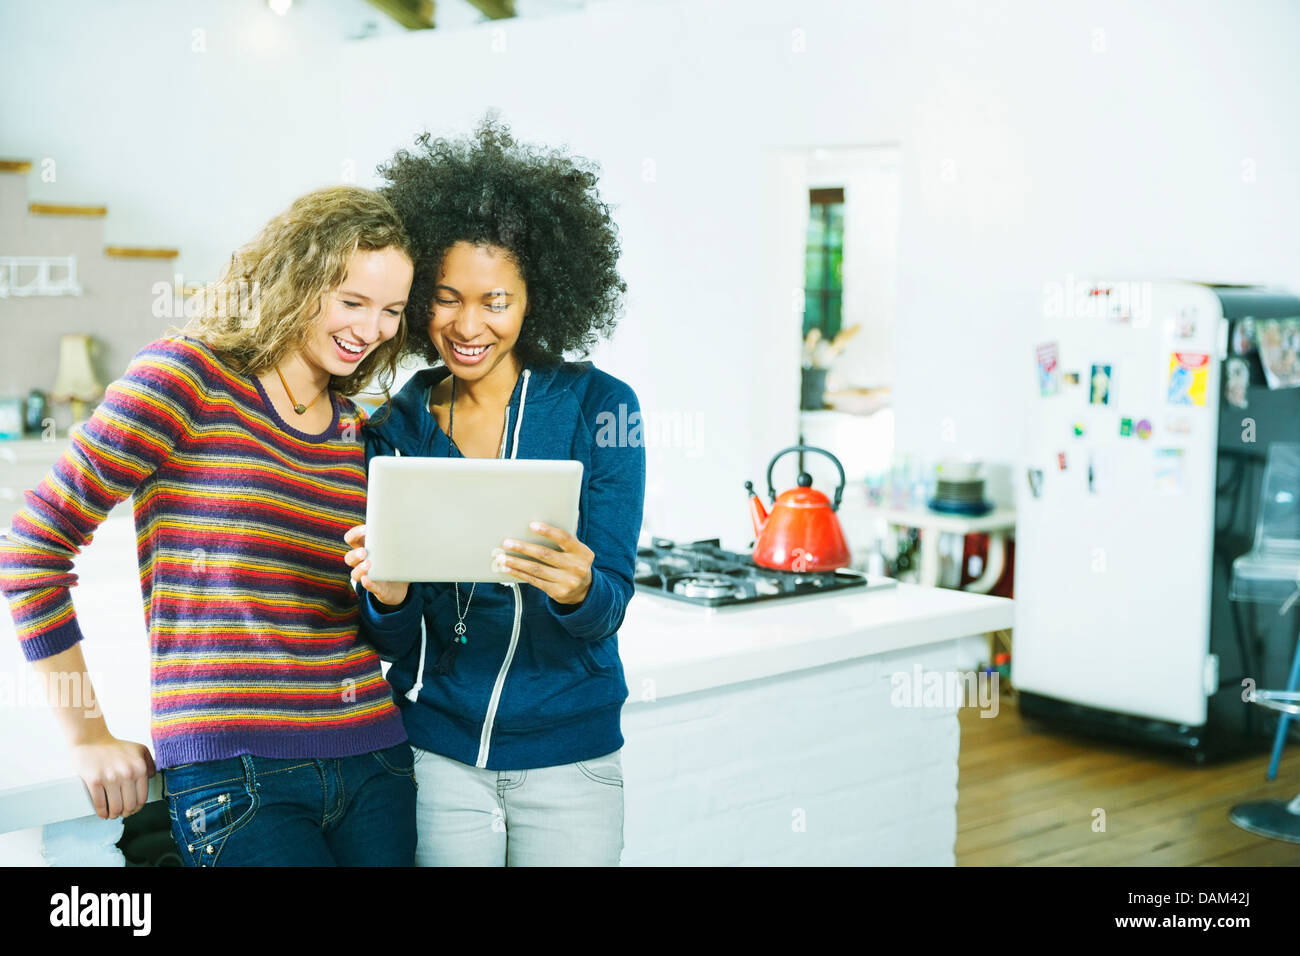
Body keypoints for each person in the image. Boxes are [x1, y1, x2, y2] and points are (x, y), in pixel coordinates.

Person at [0, 185, 419, 866]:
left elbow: (375, 625)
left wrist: (392, 590)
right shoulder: (186, 377)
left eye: (391, 311)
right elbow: (30, 552)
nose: (371, 329)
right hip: (237, 776)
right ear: (295, 283)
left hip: (375, 758)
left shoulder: (355, 428)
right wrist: (88, 735)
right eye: (353, 302)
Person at [344, 117, 645, 866]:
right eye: (446, 299)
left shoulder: (602, 408)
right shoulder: (401, 421)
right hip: (437, 753)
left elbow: (609, 607)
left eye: (495, 301)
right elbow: (392, 638)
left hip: (569, 758)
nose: (467, 326)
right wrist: (385, 594)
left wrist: (578, 590)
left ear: (536, 298)